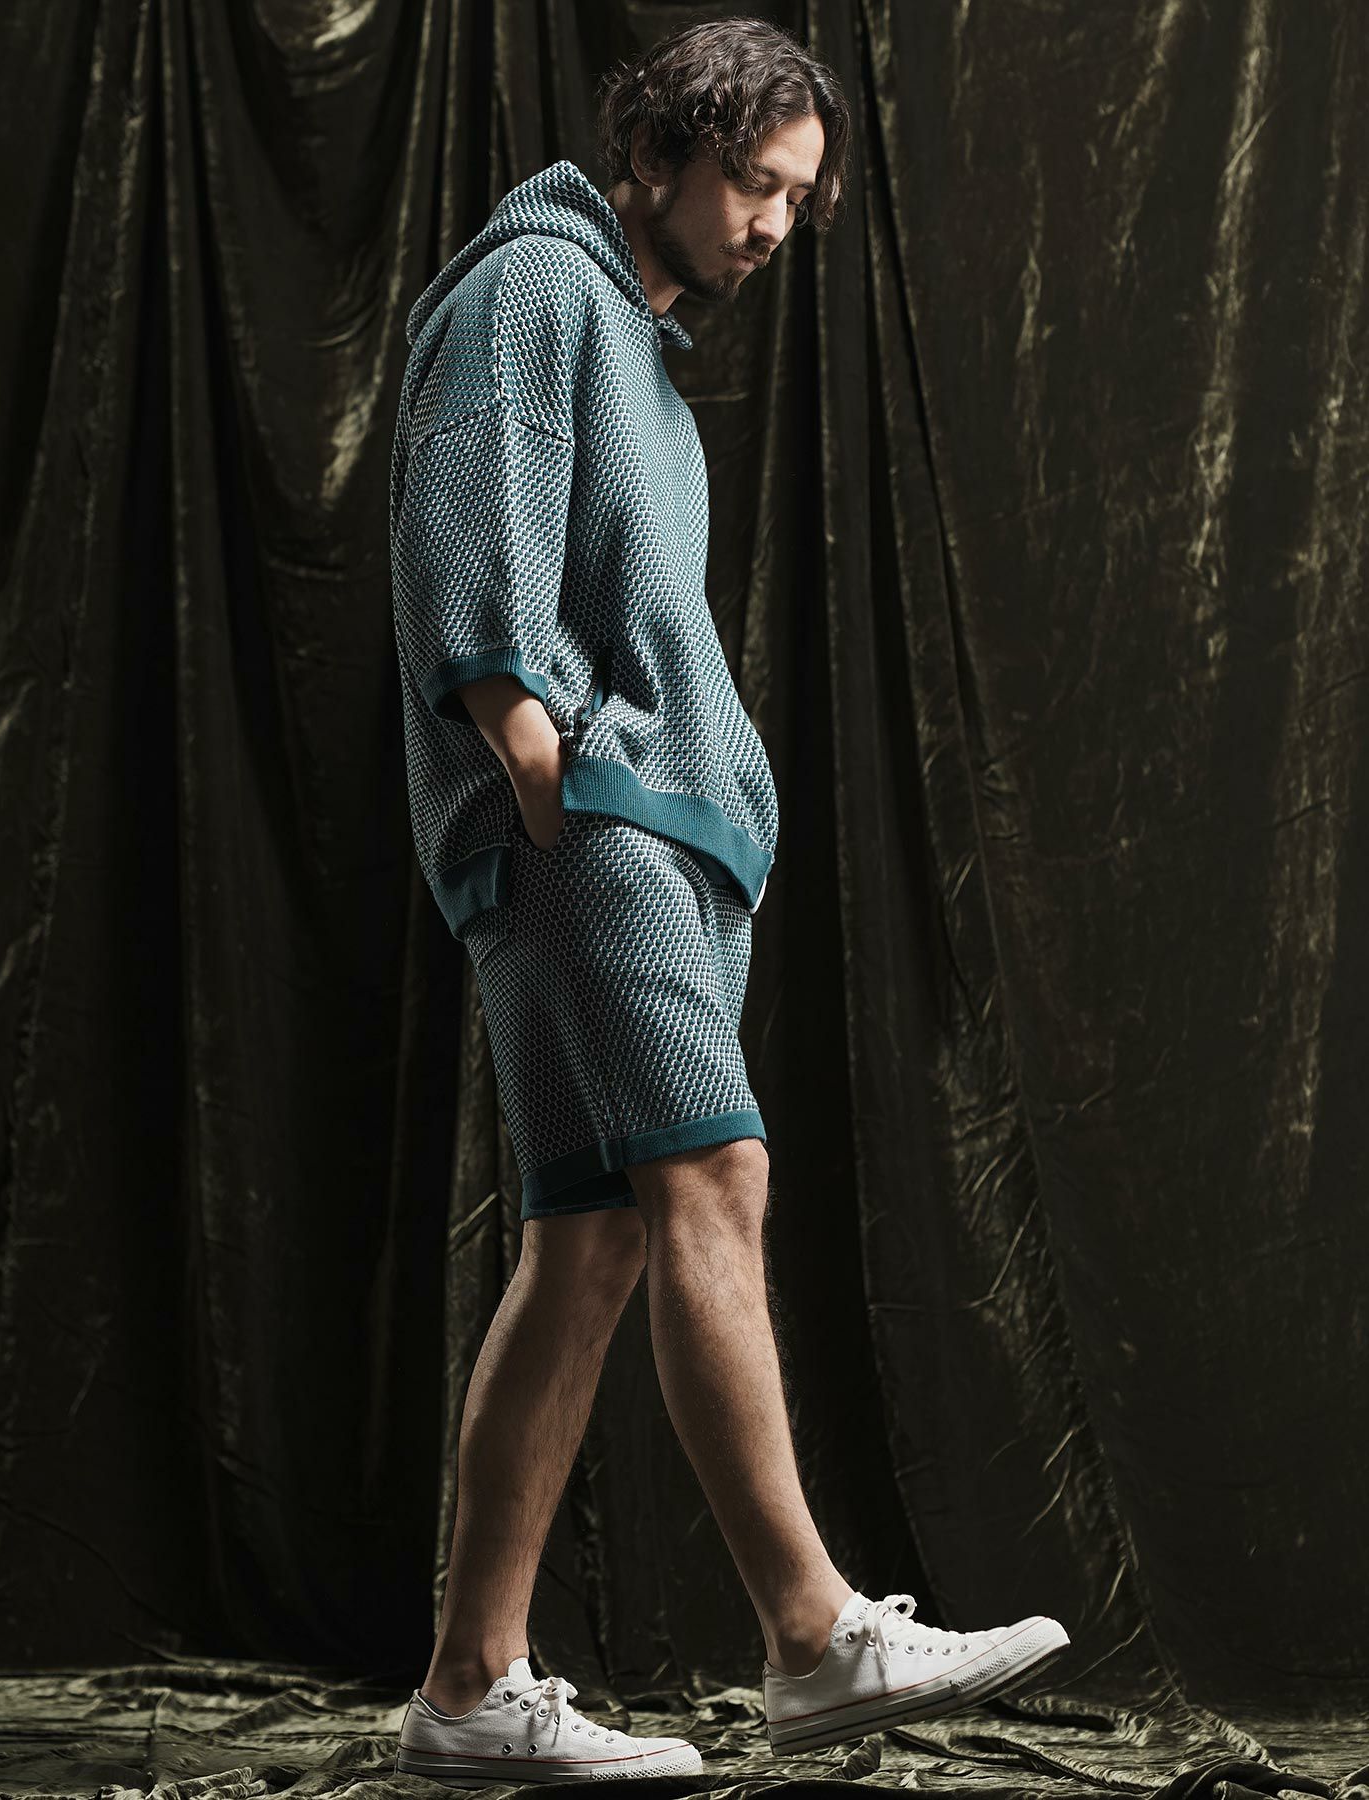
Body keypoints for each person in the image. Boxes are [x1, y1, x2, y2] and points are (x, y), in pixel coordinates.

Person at [391, 18, 1070, 1785]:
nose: (773, 224)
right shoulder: (535, 287)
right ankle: (812, 1636)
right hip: (588, 819)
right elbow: (469, 518)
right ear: (665, 149)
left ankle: (467, 1689)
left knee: (592, 1237)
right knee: (716, 1174)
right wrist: (535, 748)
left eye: (796, 198)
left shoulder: (644, 354)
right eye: (754, 182)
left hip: (625, 821)